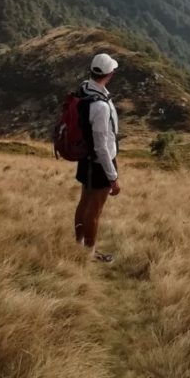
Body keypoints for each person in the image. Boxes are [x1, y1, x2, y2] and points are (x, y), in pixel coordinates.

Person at [74, 52, 121, 262]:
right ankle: (89, 254)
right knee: (95, 210)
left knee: (84, 202)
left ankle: (79, 246)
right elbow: (102, 146)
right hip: (100, 162)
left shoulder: (85, 89)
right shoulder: (100, 106)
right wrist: (113, 177)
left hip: (86, 158)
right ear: (110, 74)